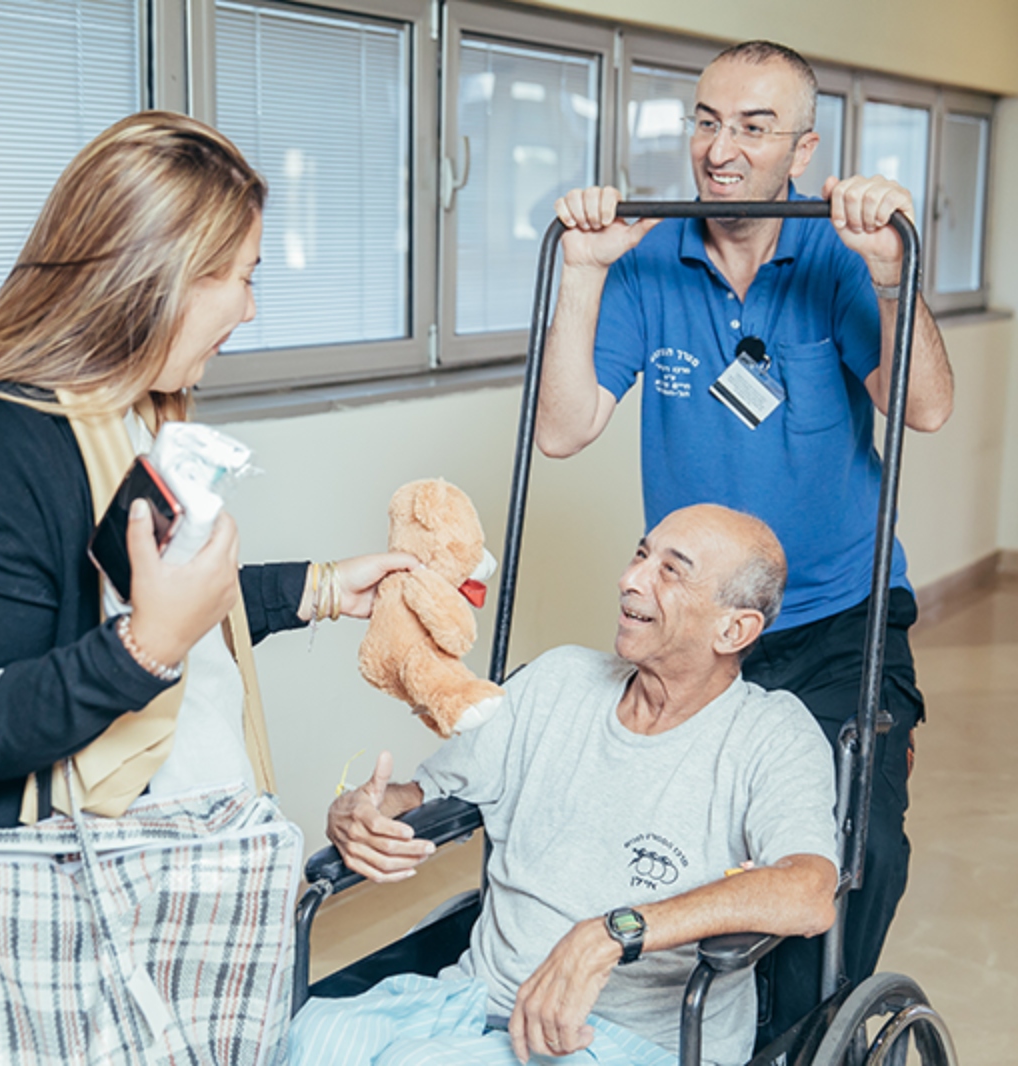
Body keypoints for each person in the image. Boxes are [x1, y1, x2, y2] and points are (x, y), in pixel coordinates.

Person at [534, 39, 953, 1042]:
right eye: (707, 121)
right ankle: (681, 1030)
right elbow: (561, 429)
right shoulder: (651, 260)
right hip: (701, 626)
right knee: (667, 832)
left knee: (850, 848)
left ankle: (785, 1044)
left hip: (836, 617)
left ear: (802, 150)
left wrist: (892, 277)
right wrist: (583, 273)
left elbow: (924, 407)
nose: (721, 150)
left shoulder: (837, 257)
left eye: (754, 127)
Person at [0, 111, 416, 832]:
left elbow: (134, 606)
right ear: (161, 278)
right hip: (75, 890)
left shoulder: (129, 416)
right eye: (244, 276)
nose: (249, 310)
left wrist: (318, 589)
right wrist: (145, 650)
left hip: (186, 862)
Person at [296, 504, 839, 1066]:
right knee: (307, 1038)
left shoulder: (771, 734)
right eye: (640, 554)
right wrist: (362, 811)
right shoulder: (558, 681)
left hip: (617, 1041)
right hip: (472, 1000)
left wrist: (613, 933)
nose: (630, 579)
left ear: (734, 630)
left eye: (670, 571)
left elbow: (809, 891)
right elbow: (421, 795)